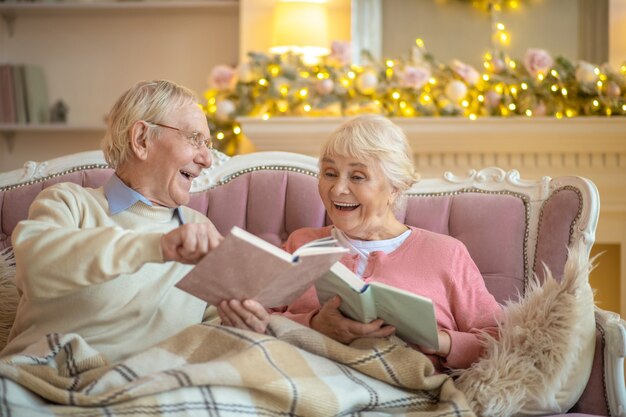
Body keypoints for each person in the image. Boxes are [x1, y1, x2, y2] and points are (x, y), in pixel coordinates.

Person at [1, 80, 269, 364]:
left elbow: (212, 328)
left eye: (208, 144)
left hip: (153, 385)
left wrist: (242, 324)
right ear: (142, 139)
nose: (206, 159)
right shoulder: (69, 202)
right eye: (194, 138)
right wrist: (158, 246)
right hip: (45, 373)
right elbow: (38, 267)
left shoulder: (199, 227)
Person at [220, 115, 502, 372]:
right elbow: (253, 322)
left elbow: (499, 340)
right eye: (329, 173)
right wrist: (315, 325)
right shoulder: (302, 244)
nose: (338, 188)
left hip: (402, 386)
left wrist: (438, 342)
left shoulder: (446, 253)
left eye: (357, 177)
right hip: (299, 374)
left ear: (395, 187)